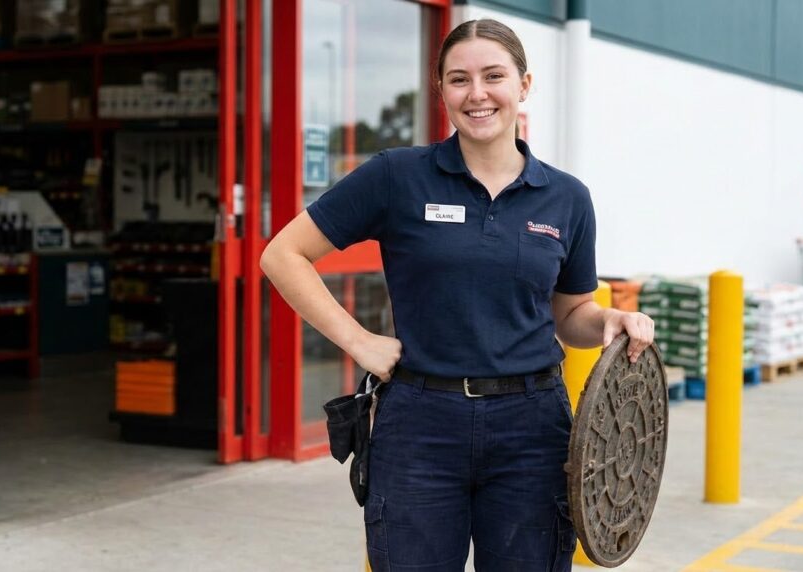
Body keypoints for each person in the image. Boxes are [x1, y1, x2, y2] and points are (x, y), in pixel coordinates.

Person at [260, 18, 654, 572]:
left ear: (524, 83)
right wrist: (359, 341)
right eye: (459, 79)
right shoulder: (398, 176)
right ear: (441, 89)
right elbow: (282, 255)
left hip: (532, 428)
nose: (477, 94)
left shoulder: (566, 198)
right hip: (421, 425)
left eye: (493, 76)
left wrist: (610, 321)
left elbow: (571, 316)